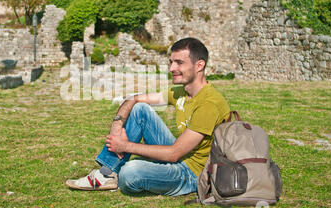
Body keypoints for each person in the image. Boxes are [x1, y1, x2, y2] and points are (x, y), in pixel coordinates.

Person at [66, 38, 231, 196]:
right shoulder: (180, 92)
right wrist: (117, 124)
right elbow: (134, 99)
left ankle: (118, 171)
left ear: (199, 65)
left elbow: (174, 153)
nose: (172, 68)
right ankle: (107, 173)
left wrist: (125, 146)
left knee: (129, 172)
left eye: (179, 63)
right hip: (181, 157)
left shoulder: (209, 104)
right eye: (171, 62)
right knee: (139, 109)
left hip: (193, 174)